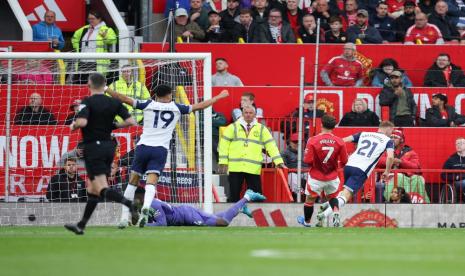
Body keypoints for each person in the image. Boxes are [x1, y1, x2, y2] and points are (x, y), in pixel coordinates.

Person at [105, 85, 230, 228]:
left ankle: (123, 217)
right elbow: (199, 106)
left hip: (143, 147)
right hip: (160, 150)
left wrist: (107, 89)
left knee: (133, 182)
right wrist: (219, 97)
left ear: (155, 95)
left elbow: (124, 98)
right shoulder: (176, 107)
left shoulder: (148, 104)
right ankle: (146, 209)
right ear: (170, 95)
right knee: (151, 183)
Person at [64, 73, 137, 235]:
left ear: (89, 85)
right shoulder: (114, 102)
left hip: (93, 148)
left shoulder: (87, 102)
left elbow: (82, 122)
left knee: (101, 187)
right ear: (104, 85)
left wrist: (73, 126)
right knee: (93, 189)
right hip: (109, 147)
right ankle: (81, 225)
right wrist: (114, 125)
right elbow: (131, 121)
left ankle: (128, 204)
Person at [318, 121, 395, 226]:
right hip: (361, 170)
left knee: (345, 192)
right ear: (388, 129)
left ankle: (325, 205)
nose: (392, 134)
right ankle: (323, 215)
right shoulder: (388, 141)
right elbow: (390, 157)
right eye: (392, 131)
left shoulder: (363, 134)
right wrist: (387, 171)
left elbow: (342, 141)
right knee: (345, 197)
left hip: (349, 166)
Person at [218, 105, 286, 202]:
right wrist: (223, 161)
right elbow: (223, 145)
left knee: (257, 197)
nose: (248, 115)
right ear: (242, 114)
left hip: (253, 168)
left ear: (255, 115)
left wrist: (278, 161)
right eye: (246, 113)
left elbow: (271, 146)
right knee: (234, 196)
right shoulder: (233, 127)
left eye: (251, 113)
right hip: (235, 167)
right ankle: (233, 216)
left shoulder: (262, 129)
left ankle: (257, 216)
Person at [297, 115, 348, 227]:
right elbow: (345, 160)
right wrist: (335, 165)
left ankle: (307, 222)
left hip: (316, 176)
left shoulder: (313, 140)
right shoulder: (339, 141)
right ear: (334, 127)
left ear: (321, 125)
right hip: (332, 176)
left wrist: (318, 163)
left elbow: (307, 160)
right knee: (332, 197)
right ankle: (336, 212)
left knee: (310, 199)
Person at [146, 189, 266, 226]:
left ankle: (247, 196)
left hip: (187, 215)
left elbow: (162, 224)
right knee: (215, 218)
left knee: (223, 222)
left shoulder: (153, 204)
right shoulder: (148, 204)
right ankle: (239, 208)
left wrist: (142, 225)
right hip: (184, 214)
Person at [376, 129, 427, 203]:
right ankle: (390, 201)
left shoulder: (410, 152)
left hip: (406, 177)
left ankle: (417, 201)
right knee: (399, 176)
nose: (392, 139)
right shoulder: (385, 150)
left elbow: (416, 166)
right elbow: (378, 161)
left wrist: (401, 162)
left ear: (401, 140)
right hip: (387, 177)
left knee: (418, 179)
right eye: (391, 137)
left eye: (395, 137)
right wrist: (392, 161)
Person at [72, 11, 117, 84]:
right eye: (89, 19)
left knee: (96, 85)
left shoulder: (107, 29)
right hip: (82, 63)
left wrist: (105, 36)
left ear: (99, 19)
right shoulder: (84, 29)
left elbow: (113, 40)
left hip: (96, 63)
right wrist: (78, 48)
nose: (90, 20)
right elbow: (74, 38)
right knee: (81, 85)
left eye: (93, 18)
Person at [281, 133, 308, 200]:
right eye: (295, 142)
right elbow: (283, 165)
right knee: (292, 175)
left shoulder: (305, 152)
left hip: (304, 173)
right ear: (290, 142)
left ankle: (312, 194)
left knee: (311, 175)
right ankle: (299, 194)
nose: (297, 143)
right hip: (293, 174)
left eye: (299, 142)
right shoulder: (284, 153)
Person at [441, 137, 465, 203]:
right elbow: (443, 175)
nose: (458, 145)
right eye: (457, 144)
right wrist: (456, 177)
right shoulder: (451, 160)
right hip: (457, 182)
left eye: (461, 143)